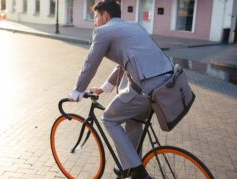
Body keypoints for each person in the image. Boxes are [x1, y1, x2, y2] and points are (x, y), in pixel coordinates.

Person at [68, 1, 172, 178]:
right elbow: (125, 62)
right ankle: (129, 166)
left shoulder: (103, 31)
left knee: (109, 118)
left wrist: (78, 91)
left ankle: (137, 171)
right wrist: (104, 88)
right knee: (133, 121)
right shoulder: (134, 26)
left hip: (146, 89)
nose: (95, 22)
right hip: (165, 84)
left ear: (105, 16)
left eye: (96, 17)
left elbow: (90, 63)